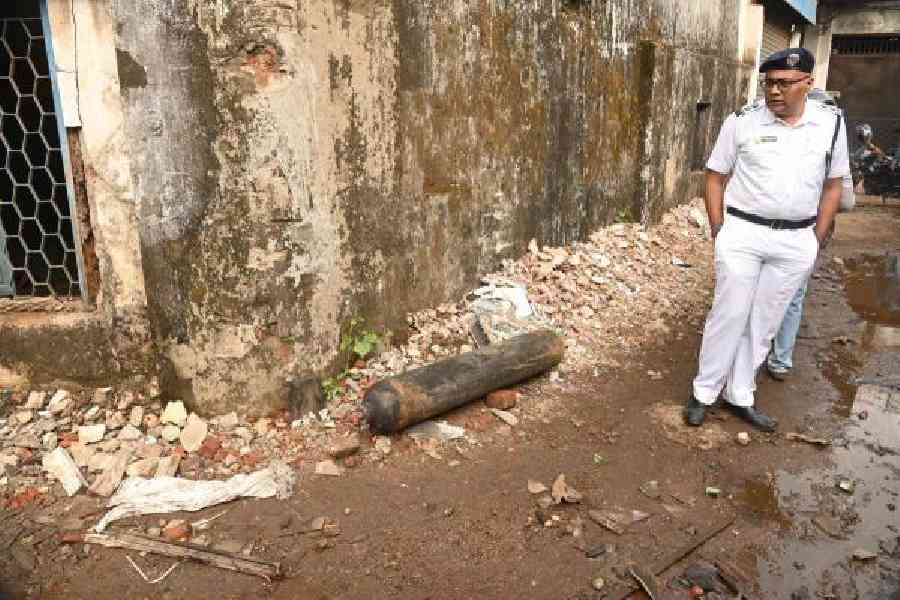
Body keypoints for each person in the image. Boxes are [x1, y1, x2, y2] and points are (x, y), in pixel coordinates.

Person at [684, 48, 850, 431]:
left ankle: (740, 394)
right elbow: (714, 175)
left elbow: (833, 185)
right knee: (729, 314)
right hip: (743, 232)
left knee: (765, 321)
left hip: (795, 240)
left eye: (784, 84)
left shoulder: (831, 125)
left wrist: (817, 237)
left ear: (808, 84)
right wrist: (718, 227)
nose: (774, 92)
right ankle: (704, 392)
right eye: (769, 83)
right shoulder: (742, 121)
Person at [766, 89, 856, 380]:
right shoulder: (830, 141)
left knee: (772, 290)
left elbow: (843, 199)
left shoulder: (819, 143)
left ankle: (763, 351)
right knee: (793, 294)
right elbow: (847, 201)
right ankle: (780, 359)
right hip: (808, 232)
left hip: (796, 229)